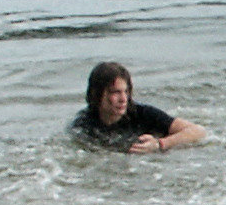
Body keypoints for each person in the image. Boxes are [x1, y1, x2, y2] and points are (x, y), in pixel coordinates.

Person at [69, 62, 207, 153]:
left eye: (126, 91)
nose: (123, 99)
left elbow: (198, 131)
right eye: (115, 92)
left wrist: (160, 144)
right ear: (96, 94)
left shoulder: (142, 114)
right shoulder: (84, 125)